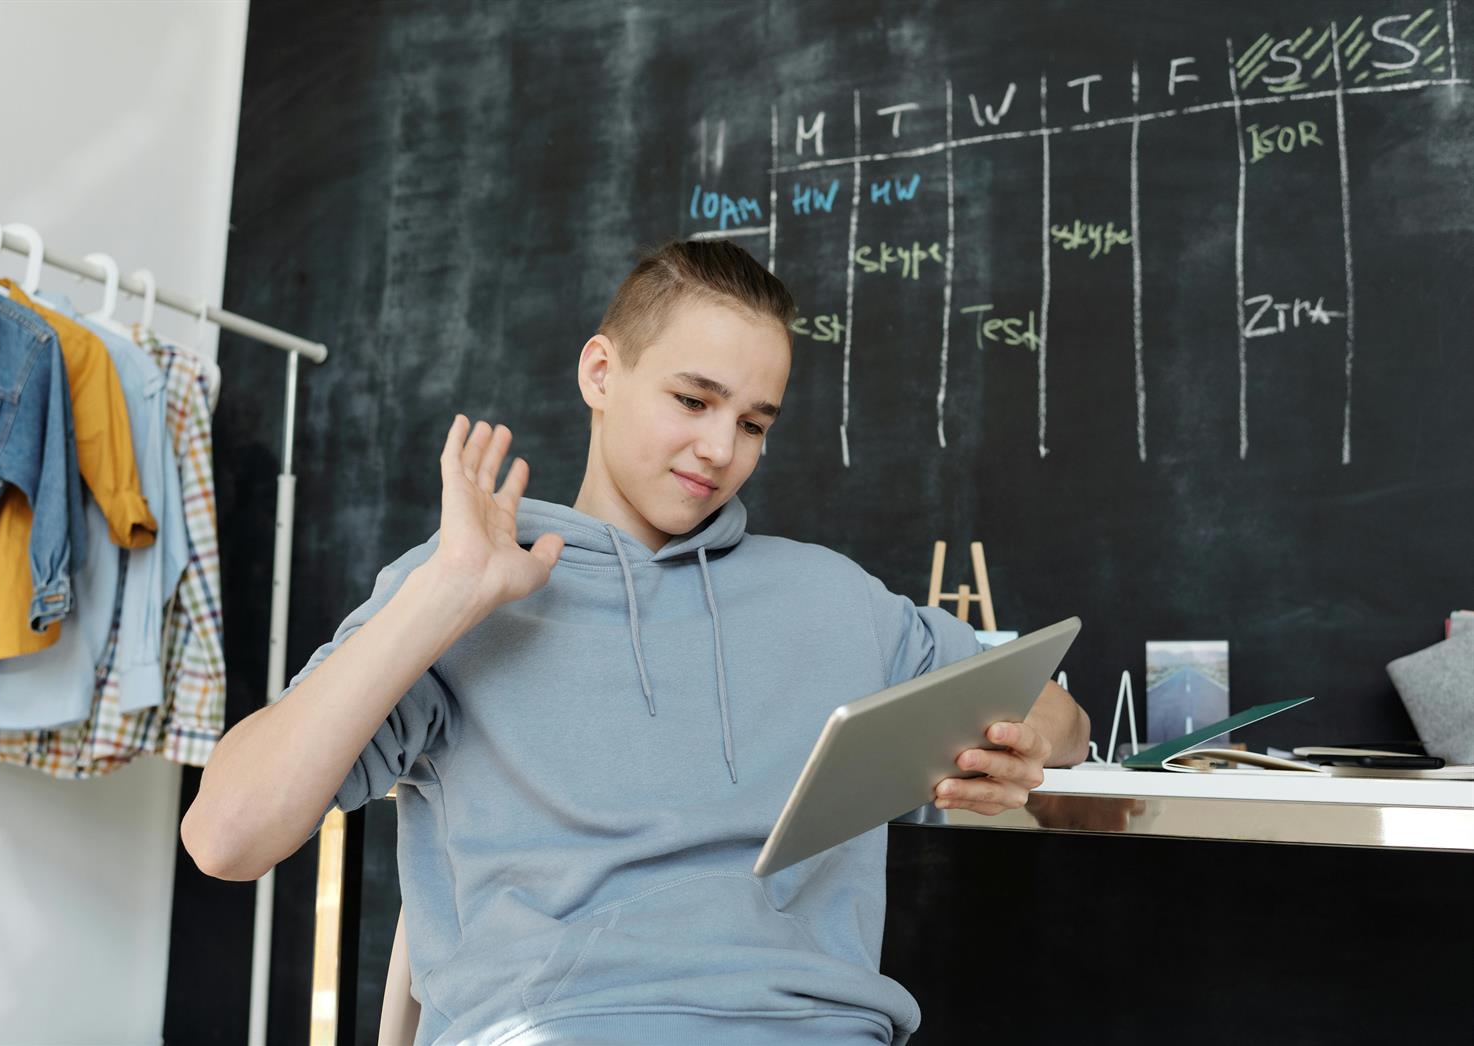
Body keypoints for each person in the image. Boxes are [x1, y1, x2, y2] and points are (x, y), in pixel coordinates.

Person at [182, 239, 1090, 1045]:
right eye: (692, 400)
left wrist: (1028, 744)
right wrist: (441, 600)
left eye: (753, 424)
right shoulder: (463, 582)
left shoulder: (834, 597)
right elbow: (226, 838)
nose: (718, 450)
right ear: (601, 374)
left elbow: (1059, 712)